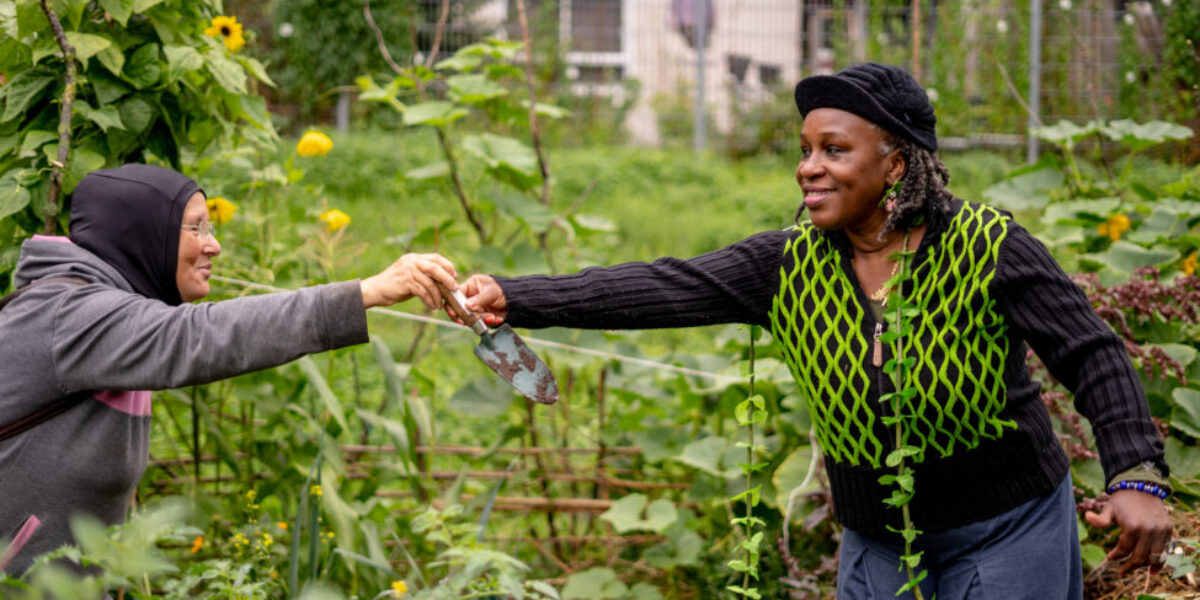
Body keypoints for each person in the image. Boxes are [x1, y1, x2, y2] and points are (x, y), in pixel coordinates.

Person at [458, 63, 1171, 599]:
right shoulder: (787, 264)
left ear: (895, 164)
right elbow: (661, 285)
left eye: (834, 150)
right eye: (805, 150)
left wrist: (1137, 474)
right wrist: (512, 296)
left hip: (1008, 531)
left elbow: (1093, 355)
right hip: (878, 544)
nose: (808, 167)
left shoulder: (988, 246)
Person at [0, 164, 458, 576]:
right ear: (143, 234)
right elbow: (202, 336)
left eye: (210, 226)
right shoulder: (71, 315)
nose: (213, 245)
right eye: (196, 228)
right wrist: (365, 292)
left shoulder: (112, 311)